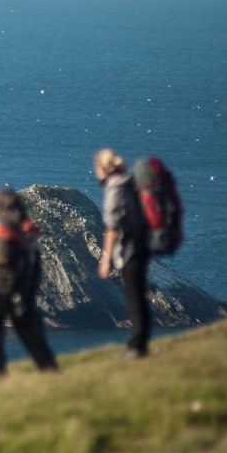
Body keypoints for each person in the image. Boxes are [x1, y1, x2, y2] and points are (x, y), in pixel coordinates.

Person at [0, 187, 58, 376]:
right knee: (33, 339)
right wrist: (28, 300)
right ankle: (51, 377)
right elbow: (34, 270)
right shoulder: (24, 231)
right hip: (19, 294)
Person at [94, 148, 152, 358]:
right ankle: (140, 343)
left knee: (134, 298)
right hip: (143, 245)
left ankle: (137, 347)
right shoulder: (130, 182)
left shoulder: (114, 188)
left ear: (102, 168)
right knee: (139, 296)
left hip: (129, 249)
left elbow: (112, 228)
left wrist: (105, 260)